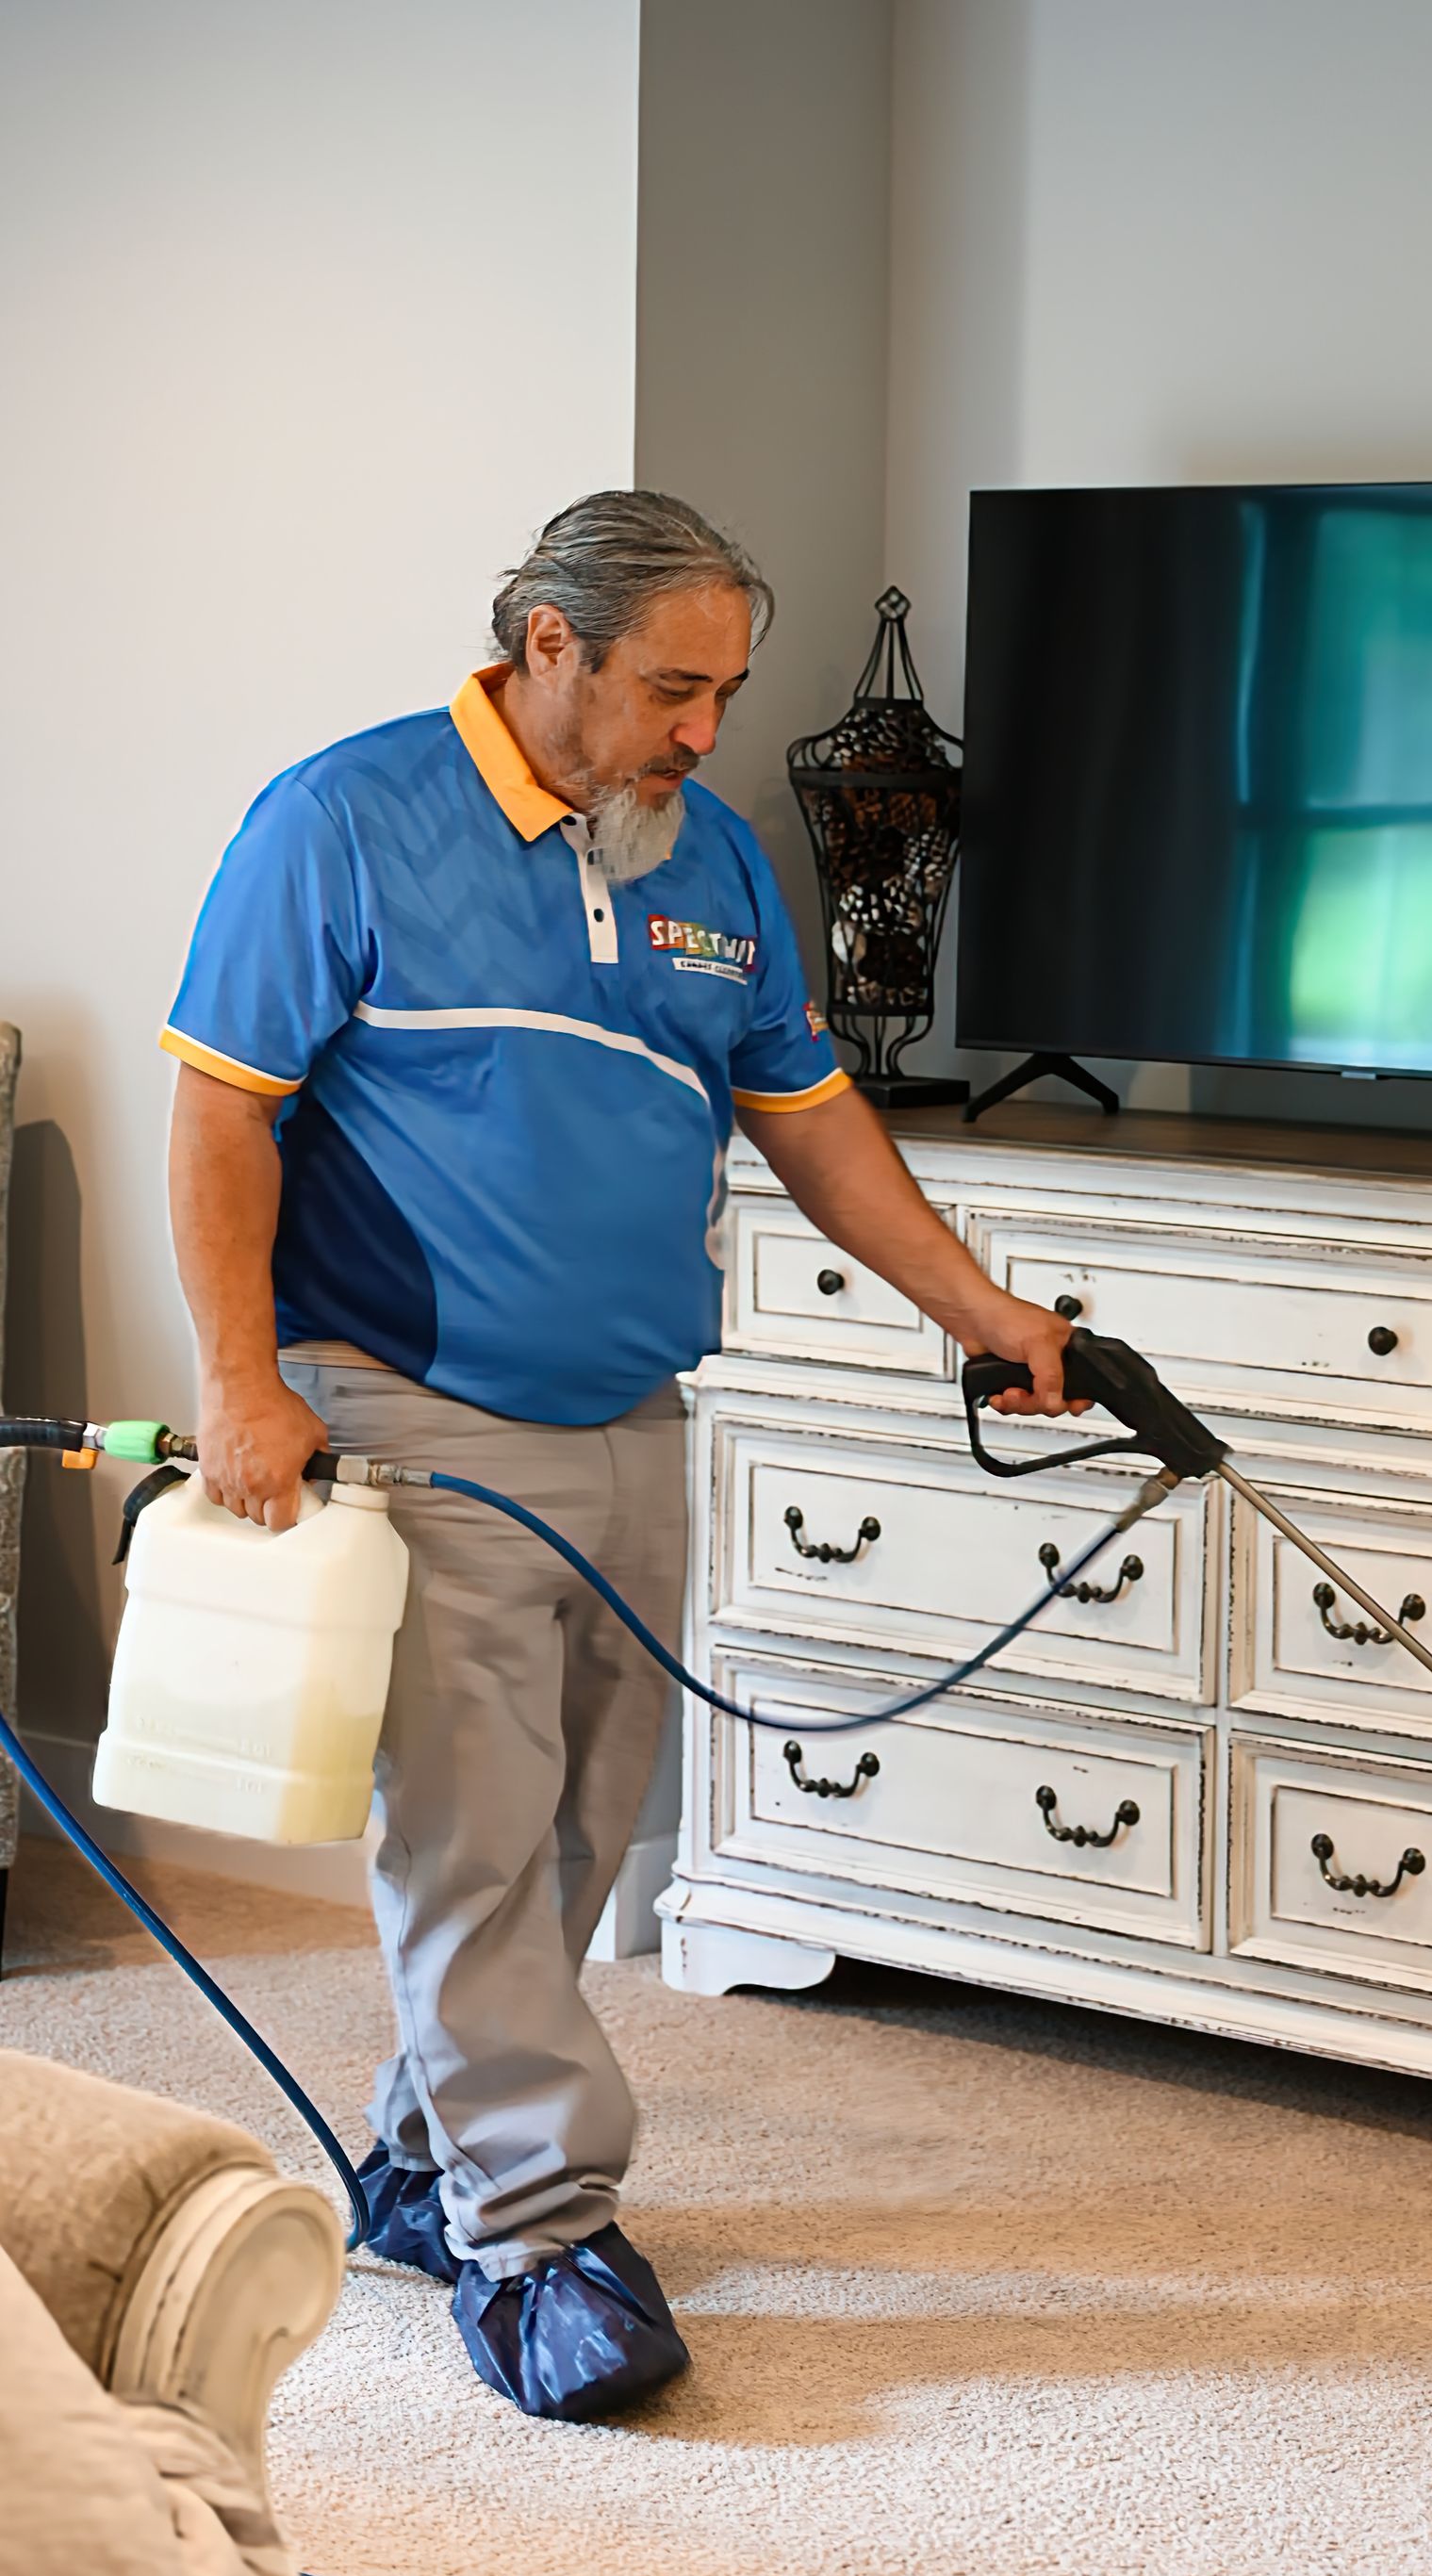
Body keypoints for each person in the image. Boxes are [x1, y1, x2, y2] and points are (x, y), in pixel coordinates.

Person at [161, 490, 1079, 2423]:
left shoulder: (716, 861)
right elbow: (225, 1117)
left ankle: (424, 2167)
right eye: (674, 687)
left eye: (725, 692)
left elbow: (812, 1118)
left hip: (633, 1401)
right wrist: (243, 1382)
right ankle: (541, 2241)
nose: (704, 732)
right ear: (544, 643)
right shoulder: (340, 822)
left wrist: (979, 1311)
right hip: (411, 1403)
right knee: (476, 1829)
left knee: (583, 1826)